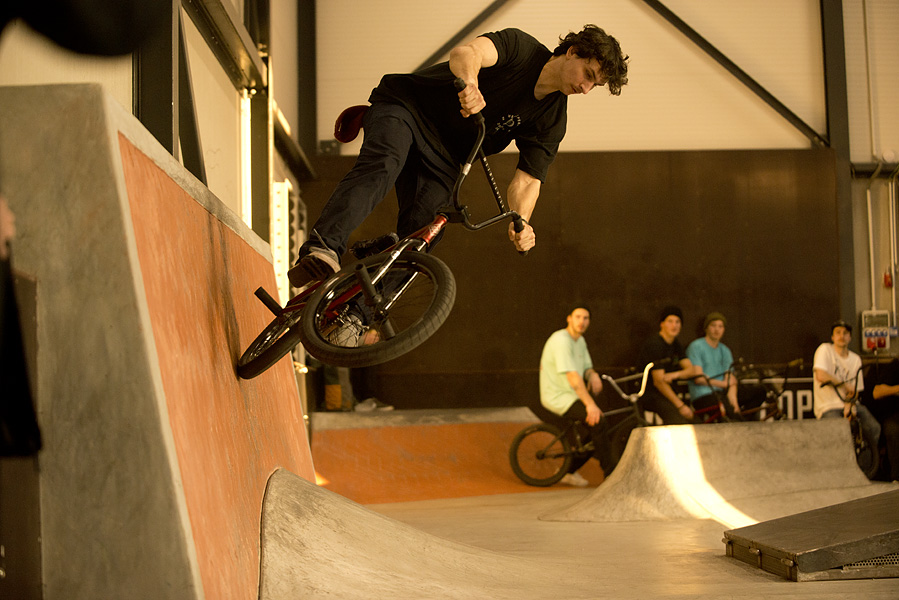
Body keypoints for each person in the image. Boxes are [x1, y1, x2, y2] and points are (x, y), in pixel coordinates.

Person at [288, 25, 629, 288]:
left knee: (425, 236)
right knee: (384, 164)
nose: (586, 89)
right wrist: (470, 83)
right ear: (572, 52)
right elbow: (467, 53)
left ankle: (356, 316)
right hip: (407, 110)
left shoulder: (553, 119)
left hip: (445, 158)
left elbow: (528, 181)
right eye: (588, 75)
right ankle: (323, 248)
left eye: (595, 86)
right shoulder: (522, 49)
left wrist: (522, 221)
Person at [538, 304, 617, 486]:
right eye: (578, 317)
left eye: (586, 318)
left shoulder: (580, 341)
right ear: (569, 319)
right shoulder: (561, 340)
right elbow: (573, 377)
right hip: (558, 396)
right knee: (597, 421)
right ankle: (611, 476)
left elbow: (587, 368)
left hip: (572, 395)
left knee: (599, 427)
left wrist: (593, 375)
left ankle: (568, 471)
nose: (582, 322)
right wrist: (590, 405)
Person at [812, 320, 881, 472]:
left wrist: (850, 406)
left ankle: (863, 470)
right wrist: (844, 385)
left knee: (874, 428)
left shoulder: (855, 359)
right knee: (839, 432)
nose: (841, 336)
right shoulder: (825, 350)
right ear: (832, 337)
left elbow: (856, 391)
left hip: (850, 405)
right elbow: (821, 375)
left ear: (850, 337)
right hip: (828, 406)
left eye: (845, 333)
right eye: (838, 333)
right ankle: (839, 471)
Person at [636, 305, 702, 425]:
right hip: (651, 395)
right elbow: (659, 382)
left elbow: (691, 370)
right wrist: (680, 406)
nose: (674, 325)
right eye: (670, 321)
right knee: (678, 422)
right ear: (662, 324)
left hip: (669, 394)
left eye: (677, 322)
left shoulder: (676, 344)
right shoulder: (655, 344)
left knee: (696, 421)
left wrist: (674, 375)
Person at [867, 359, 899, 481]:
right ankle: (896, 477)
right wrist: (896, 389)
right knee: (893, 429)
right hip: (893, 415)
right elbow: (877, 392)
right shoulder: (895, 366)